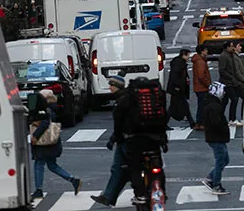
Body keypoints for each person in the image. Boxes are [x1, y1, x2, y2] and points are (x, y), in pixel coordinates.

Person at [113, 76, 168, 205]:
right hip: (155, 138)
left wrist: (118, 137)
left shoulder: (127, 98)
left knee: (135, 167)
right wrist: (163, 138)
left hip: (135, 139)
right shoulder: (156, 97)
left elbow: (118, 121)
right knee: (157, 166)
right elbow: (164, 117)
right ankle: (161, 191)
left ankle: (140, 194)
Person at [30, 89, 82, 200]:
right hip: (52, 142)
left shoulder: (45, 110)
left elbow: (45, 123)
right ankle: (73, 180)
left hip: (44, 143)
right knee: (52, 165)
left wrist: (36, 135)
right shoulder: (52, 109)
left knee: (39, 164)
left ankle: (38, 190)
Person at [91, 76, 130, 207]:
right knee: (117, 168)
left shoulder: (122, 101)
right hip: (122, 139)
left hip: (125, 139)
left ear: (117, 87)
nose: (109, 87)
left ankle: (147, 191)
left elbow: (120, 124)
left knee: (128, 168)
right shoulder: (123, 99)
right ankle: (108, 197)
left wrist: (114, 138)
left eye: (112, 85)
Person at [202, 82, 231, 195]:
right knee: (221, 160)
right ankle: (216, 185)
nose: (223, 93)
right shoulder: (214, 107)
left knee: (224, 159)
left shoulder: (212, 104)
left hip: (215, 137)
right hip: (216, 137)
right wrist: (224, 128)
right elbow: (216, 123)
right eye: (222, 91)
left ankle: (210, 178)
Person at [166, 49, 196, 129]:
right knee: (179, 106)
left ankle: (191, 122)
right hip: (177, 89)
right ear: (184, 55)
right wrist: (177, 86)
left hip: (178, 88)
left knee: (174, 106)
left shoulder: (179, 62)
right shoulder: (179, 63)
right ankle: (191, 122)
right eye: (188, 55)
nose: (188, 57)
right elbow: (175, 76)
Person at [218, 41, 244, 126]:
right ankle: (231, 119)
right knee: (234, 99)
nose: (232, 48)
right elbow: (222, 70)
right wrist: (231, 77)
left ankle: (221, 118)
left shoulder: (231, 55)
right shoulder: (224, 56)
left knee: (225, 101)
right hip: (227, 82)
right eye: (231, 46)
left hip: (233, 81)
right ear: (227, 48)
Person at [192, 44, 212, 130]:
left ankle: (200, 122)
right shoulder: (200, 62)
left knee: (201, 105)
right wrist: (208, 84)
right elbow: (201, 76)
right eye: (206, 50)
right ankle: (201, 123)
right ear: (202, 51)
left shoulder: (199, 61)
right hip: (202, 87)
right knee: (203, 106)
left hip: (199, 87)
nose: (207, 52)